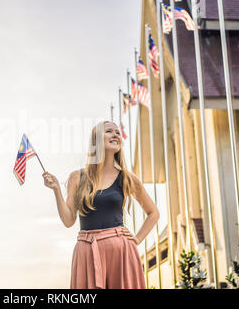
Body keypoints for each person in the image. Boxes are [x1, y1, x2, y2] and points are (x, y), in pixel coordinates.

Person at [42, 120, 159, 289]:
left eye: (117, 133)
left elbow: (153, 213)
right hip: (86, 251)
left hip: (120, 252)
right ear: (96, 140)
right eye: (109, 131)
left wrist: (137, 239)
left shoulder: (126, 178)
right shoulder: (77, 177)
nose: (115, 135)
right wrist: (56, 190)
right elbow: (68, 221)